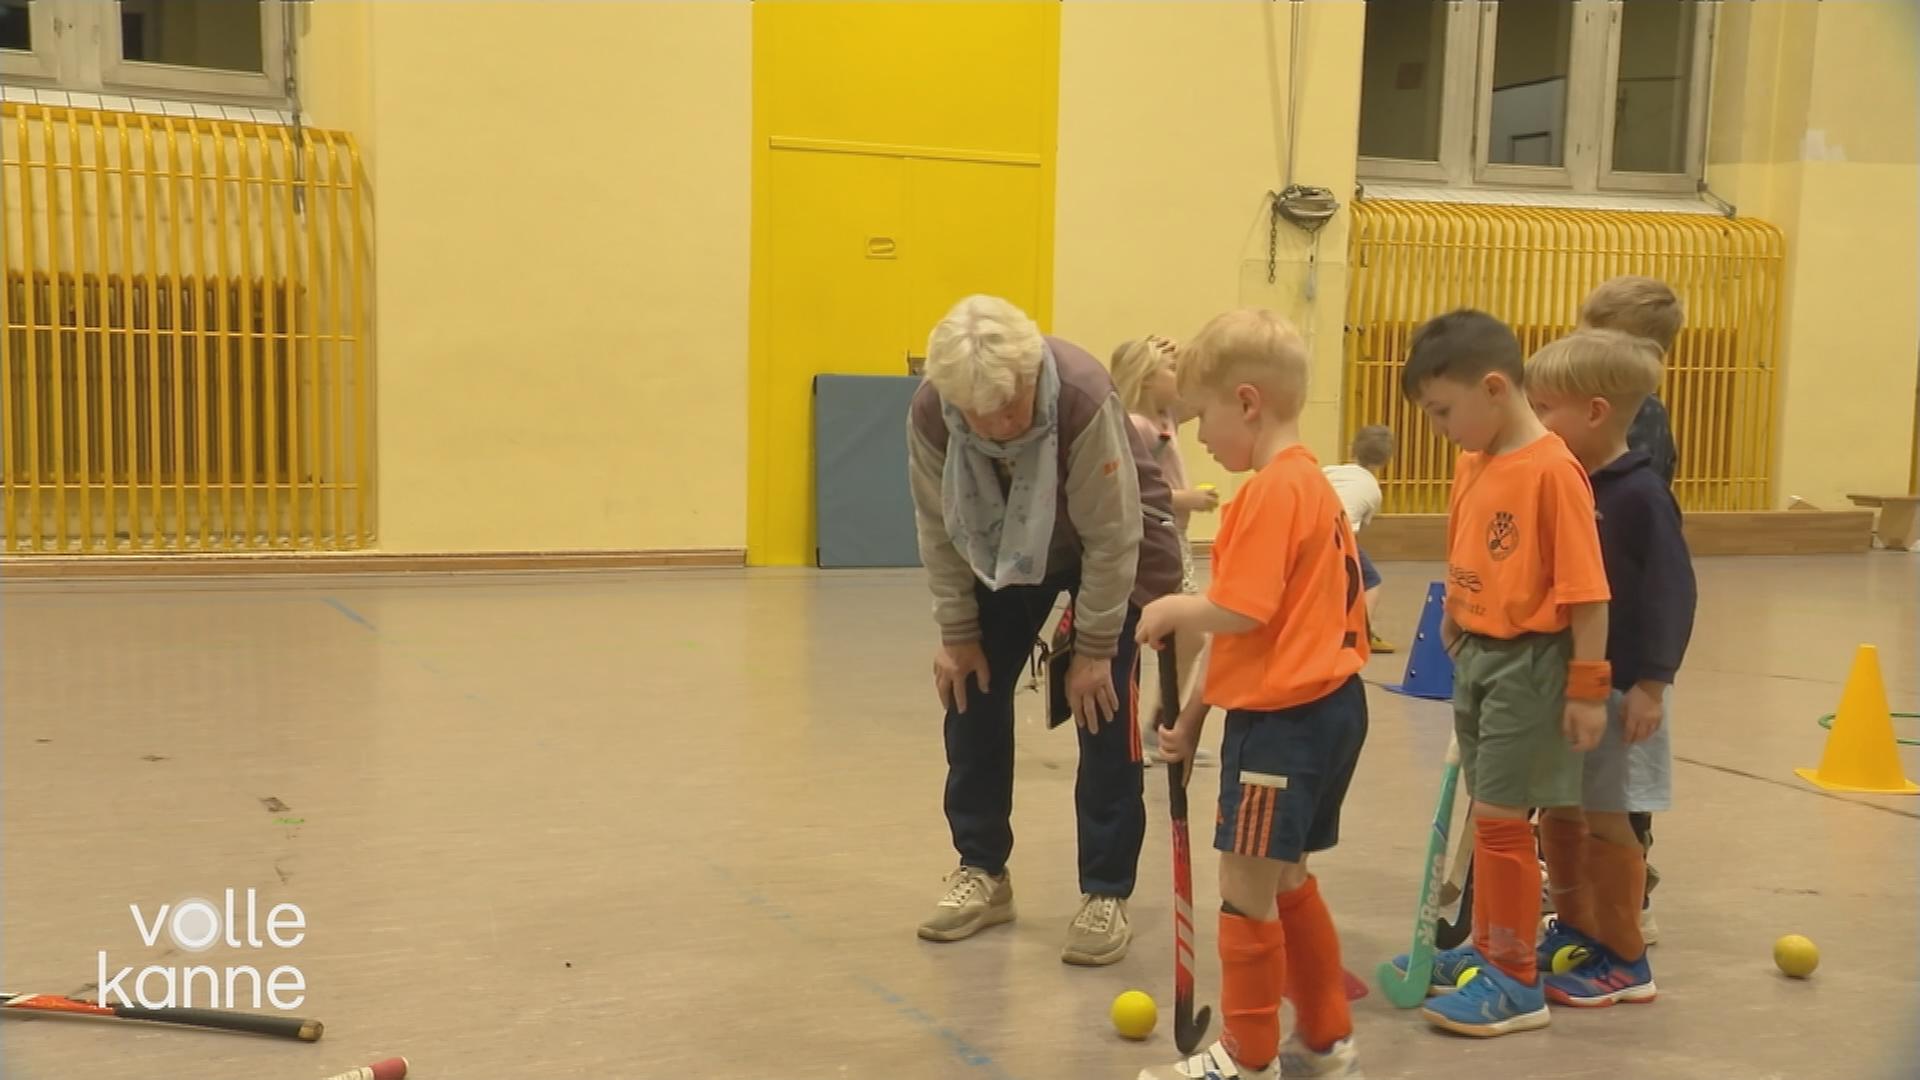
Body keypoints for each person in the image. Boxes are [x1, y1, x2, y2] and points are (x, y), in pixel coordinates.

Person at [906, 294, 1183, 967]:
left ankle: (1105, 890)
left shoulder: (1081, 395)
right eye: (984, 413)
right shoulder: (933, 413)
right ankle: (983, 872)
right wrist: (957, 631)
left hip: (1105, 552)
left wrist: (1092, 650)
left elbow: (1114, 538)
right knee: (968, 694)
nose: (1002, 424)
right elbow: (938, 530)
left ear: (1034, 374)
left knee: (1101, 705)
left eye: (1013, 403)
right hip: (996, 549)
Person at [1134, 310, 1370, 1079]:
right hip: (1326, 712)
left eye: (1201, 418)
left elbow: (1239, 613)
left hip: (1284, 725)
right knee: (1287, 873)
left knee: (1244, 884)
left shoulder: (1273, 492)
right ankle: (1327, 1035)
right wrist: (1196, 715)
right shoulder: (1310, 485)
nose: (1197, 439)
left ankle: (1249, 1053)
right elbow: (1252, 630)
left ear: (1247, 402)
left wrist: (1173, 609)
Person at [1388, 309, 1611, 1038]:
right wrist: (1455, 605)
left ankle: (1516, 982)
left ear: (1493, 388)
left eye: (1444, 411)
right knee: (1490, 812)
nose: (1441, 428)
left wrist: (1586, 690)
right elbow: (1471, 545)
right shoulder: (1474, 461)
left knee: (1506, 821)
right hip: (1477, 654)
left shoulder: (1553, 472)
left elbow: (1587, 594)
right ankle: (1488, 947)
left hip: (1529, 665)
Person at [1524, 330, 1696, 1007]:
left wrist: (1652, 684)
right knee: (1564, 809)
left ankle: (1627, 957)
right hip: (1573, 685)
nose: (1536, 424)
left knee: (1608, 815)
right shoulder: (1569, 485)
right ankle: (1579, 929)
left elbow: (1670, 594)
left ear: (1595, 412)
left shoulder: (1640, 497)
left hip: (1624, 690)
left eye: (1547, 409)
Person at [1574, 274, 1686, 938]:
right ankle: (1598, 886)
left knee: (1620, 775)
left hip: (1621, 622)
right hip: (1591, 615)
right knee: (1591, 770)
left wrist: (1653, 677)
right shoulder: (1618, 404)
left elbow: (1656, 560)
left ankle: (1626, 897)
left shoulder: (1638, 420)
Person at [1110, 335, 1220, 761]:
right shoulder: (1136, 425)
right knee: (1183, 632)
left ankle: (1160, 719)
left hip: (1176, 540)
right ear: (1146, 377)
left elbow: (1200, 391)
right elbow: (1134, 491)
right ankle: (1156, 722)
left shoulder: (1167, 417)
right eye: (1169, 370)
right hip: (1154, 541)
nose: (1178, 378)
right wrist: (1185, 498)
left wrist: (1188, 353)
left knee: (1189, 636)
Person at [1322, 425, 1396, 653]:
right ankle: (1363, 630)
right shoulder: (1373, 489)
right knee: (1371, 582)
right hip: (1340, 536)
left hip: (1308, 530)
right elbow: (1356, 528)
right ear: (1386, 461)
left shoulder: (1330, 471)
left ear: (1351, 449)